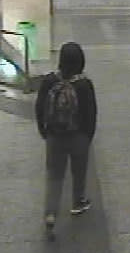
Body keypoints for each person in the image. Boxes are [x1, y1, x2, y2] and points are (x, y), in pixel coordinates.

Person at [35, 42, 97, 241]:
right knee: (78, 172)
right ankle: (78, 202)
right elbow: (91, 114)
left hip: (55, 136)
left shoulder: (49, 81)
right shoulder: (84, 84)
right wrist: (88, 136)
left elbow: (39, 107)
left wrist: (44, 131)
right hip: (78, 137)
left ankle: (51, 214)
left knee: (55, 177)